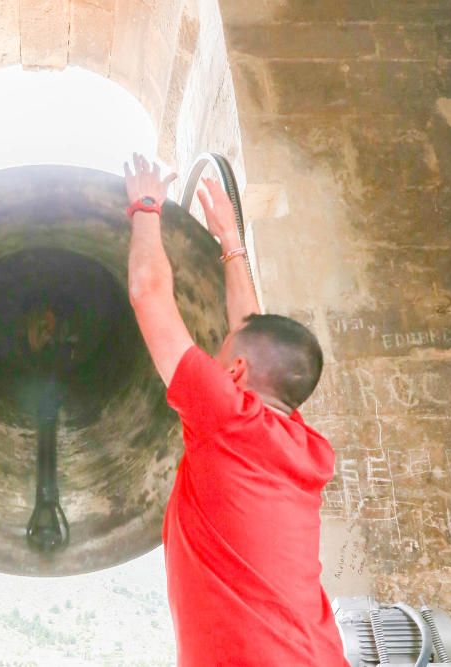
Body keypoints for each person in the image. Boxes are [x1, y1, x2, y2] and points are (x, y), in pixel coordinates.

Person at [123, 154, 348, 666]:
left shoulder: (224, 418)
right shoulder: (299, 445)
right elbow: (251, 328)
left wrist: (145, 203)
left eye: (221, 355)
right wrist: (230, 242)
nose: (215, 362)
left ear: (237, 373)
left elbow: (148, 292)